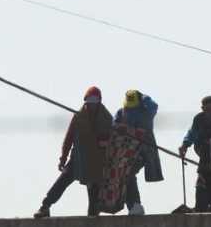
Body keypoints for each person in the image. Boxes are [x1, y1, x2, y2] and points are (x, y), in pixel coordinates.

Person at [34, 86, 112, 218]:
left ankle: (93, 218)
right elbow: (69, 138)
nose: (91, 104)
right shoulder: (78, 117)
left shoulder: (107, 118)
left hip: (96, 161)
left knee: (94, 193)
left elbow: (112, 140)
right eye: (89, 100)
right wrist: (63, 158)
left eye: (95, 100)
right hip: (78, 158)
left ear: (99, 101)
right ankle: (45, 207)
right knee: (62, 182)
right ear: (85, 101)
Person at [113, 90, 164, 216]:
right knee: (123, 174)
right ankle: (133, 206)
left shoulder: (147, 112)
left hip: (143, 150)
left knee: (128, 173)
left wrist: (144, 97)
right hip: (125, 150)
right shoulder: (121, 112)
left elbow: (154, 106)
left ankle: (135, 205)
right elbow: (113, 125)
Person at [178, 95, 211, 213]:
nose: (210, 113)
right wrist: (185, 145)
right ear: (202, 109)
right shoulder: (199, 119)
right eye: (207, 110)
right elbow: (192, 133)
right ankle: (201, 206)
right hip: (205, 156)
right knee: (203, 183)